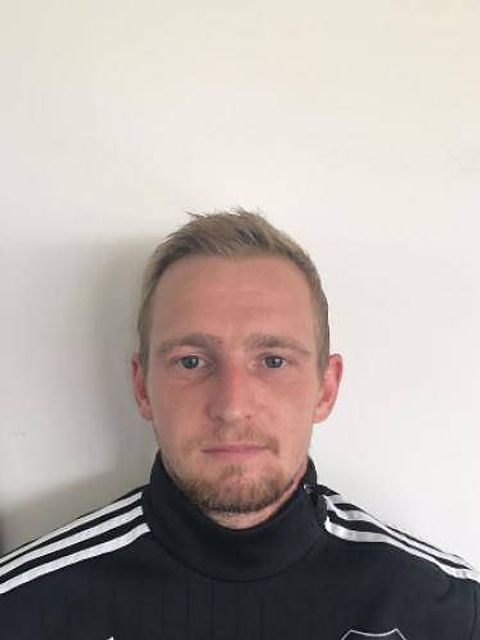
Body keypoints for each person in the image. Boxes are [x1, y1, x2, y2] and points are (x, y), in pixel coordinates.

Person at [0, 210, 478, 639]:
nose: (232, 406)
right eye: (191, 361)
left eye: (273, 360)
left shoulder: (449, 614)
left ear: (326, 388)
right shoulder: (21, 610)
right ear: (143, 387)